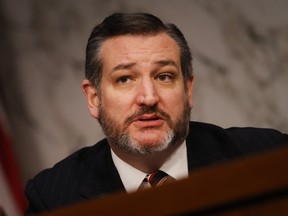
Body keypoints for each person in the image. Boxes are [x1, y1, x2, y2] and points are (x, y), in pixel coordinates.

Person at [25, 13, 288, 214]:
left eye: (164, 76)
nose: (148, 98)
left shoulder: (267, 155)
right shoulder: (53, 198)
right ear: (94, 99)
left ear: (187, 89)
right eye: (125, 79)